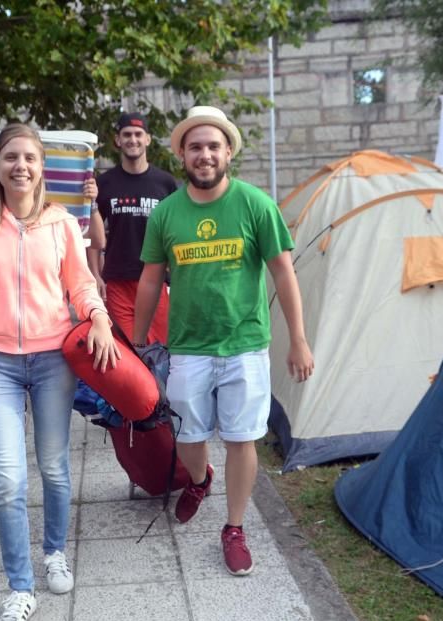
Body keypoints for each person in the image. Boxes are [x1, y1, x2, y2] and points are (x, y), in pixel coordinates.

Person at [0, 123, 120, 621]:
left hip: (51, 359)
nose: (20, 166)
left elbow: (81, 282)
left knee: (56, 468)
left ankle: (55, 551)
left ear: (43, 167)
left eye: (30, 158)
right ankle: (20, 589)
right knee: (9, 480)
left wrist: (100, 317)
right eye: (11, 157)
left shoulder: (62, 223)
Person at [132, 106, 314, 576]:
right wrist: (136, 340)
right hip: (188, 347)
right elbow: (151, 280)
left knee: (240, 437)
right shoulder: (167, 213)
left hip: (245, 344)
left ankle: (233, 528)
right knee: (189, 436)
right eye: (195, 147)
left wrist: (298, 339)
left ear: (228, 151)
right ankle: (199, 479)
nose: (205, 154)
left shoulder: (256, 205)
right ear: (183, 156)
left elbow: (283, 273)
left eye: (214, 146)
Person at [83, 112, 176, 344]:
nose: (132, 139)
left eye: (138, 134)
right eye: (126, 135)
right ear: (118, 140)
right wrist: (95, 274)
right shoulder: (104, 183)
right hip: (117, 280)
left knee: (160, 350)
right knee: (129, 350)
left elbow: (176, 234)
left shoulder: (165, 183)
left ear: (148, 139)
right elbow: (93, 236)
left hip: (156, 278)